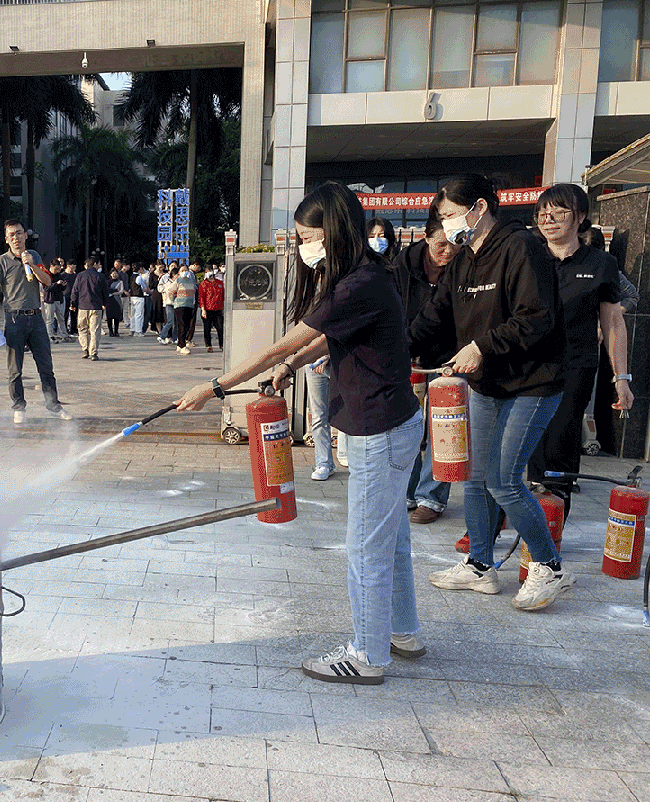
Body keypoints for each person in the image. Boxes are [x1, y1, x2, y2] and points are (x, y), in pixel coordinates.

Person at [176, 182, 424, 685]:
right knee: (391, 539)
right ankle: (403, 632)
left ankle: (367, 655)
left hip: (379, 431)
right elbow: (325, 338)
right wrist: (293, 366)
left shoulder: (356, 283)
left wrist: (215, 386)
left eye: (309, 237)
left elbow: (279, 345)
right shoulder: (366, 274)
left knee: (366, 549)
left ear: (335, 231)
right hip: (393, 423)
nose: (305, 247)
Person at [409, 174, 573, 612]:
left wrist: (481, 346)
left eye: (450, 215)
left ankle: (549, 566)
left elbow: (536, 317)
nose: (446, 225)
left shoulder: (522, 247)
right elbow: (435, 314)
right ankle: (480, 565)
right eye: (441, 217)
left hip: (533, 382)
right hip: (488, 383)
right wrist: (395, 350)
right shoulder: (464, 259)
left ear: (479, 208)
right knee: (476, 476)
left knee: (503, 480)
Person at [527, 184, 632, 516]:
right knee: (523, 443)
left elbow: (613, 322)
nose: (549, 219)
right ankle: (513, 515)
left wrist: (622, 378)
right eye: (543, 213)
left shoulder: (601, 263)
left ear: (581, 216)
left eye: (559, 212)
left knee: (560, 438)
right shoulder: (527, 257)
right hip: (527, 366)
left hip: (575, 366)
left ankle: (551, 524)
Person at [394, 218, 459, 524]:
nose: (448, 251)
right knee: (407, 426)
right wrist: (406, 348)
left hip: (451, 357)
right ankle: (407, 490)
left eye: (454, 244)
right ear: (426, 238)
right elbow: (394, 309)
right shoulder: (402, 265)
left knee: (443, 429)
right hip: (409, 353)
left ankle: (432, 497)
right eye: (441, 244)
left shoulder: (464, 264)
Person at [0, 219, 71, 423]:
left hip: (36, 318)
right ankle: (19, 406)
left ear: (25, 235)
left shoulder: (34, 256)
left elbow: (47, 281)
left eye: (19, 233)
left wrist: (31, 264)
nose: (16, 237)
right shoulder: (1, 261)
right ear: (6, 239)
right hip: (14, 319)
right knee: (15, 369)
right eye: (11, 234)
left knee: (46, 366)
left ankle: (53, 405)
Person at [71, 257, 110, 361]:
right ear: (95, 264)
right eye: (99, 264)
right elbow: (105, 292)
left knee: (82, 329)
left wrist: (73, 303)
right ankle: (93, 352)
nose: (100, 266)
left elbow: (75, 291)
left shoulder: (80, 275)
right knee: (95, 330)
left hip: (82, 306)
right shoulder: (100, 276)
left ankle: (85, 349)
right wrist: (105, 303)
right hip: (96, 307)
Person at [167, 262, 198, 355]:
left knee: (187, 325)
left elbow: (193, 292)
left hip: (189, 305)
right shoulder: (178, 280)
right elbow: (170, 291)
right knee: (182, 325)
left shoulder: (191, 280)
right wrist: (174, 300)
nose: (184, 272)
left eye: (186, 270)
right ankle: (182, 345)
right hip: (180, 305)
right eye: (182, 270)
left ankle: (180, 344)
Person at [197, 268, 224, 353]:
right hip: (207, 309)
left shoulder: (219, 283)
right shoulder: (203, 284)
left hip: (218, 309)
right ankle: (209, 345)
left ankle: (222, 344)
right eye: (207, 272)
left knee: (220, 328)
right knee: (207, 328)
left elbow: (223, 295)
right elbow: (201, 297)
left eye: (211, 271)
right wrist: (203, 309)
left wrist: (223, 308)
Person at [42, 263, 68, 341]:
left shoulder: (59, 275)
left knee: (61, 318)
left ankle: (64, 335)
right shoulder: (46, 275)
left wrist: (63, 285)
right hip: (50, 300)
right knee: (49, 319)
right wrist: (56, 283)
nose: (57, 271)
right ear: (51, 267)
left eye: (59, 269)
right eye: (56, 269)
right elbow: (46, 288)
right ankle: (50, 335)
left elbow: (62, 289)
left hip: (58, 299)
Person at [157, 265, 177, 345]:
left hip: (177, 303)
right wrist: (167, 289)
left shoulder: (179, 281)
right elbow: (159, 288)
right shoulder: (165, 278)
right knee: (169, 321)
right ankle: (162, 336)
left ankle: (175, 338)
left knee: (176, 322)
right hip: (168, 302)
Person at [106, 270, 125, 337]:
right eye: (113, 273)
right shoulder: (107, 282)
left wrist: (113, 293)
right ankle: (110, 331)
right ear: (110, 274)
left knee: (117, 316)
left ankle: (116, 331)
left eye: (116, 273)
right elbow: (106, 290)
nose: (114, 274)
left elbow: (121, 291)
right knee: (109, 317)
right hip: (109, 301)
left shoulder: (120, 282)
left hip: (117, 300)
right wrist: (115, 290)